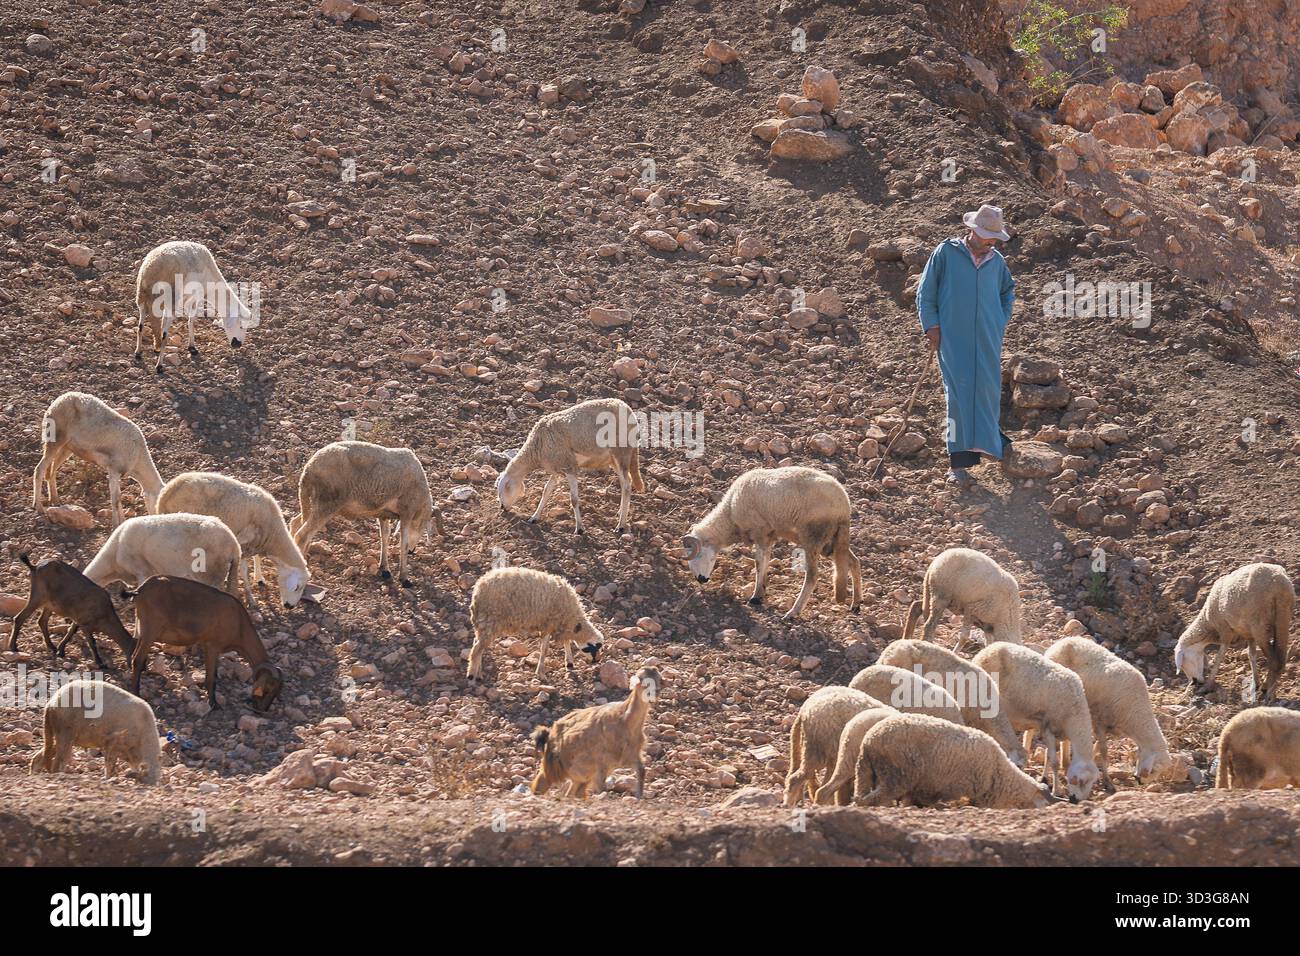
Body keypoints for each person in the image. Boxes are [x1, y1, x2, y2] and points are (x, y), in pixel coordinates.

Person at [916, 203, 1015, 487]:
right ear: (971, 231)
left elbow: (1008, 291)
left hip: (987, 335)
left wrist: (999, 319)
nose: (991, 242)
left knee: (987, 386)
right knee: (959, 392)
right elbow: (926, 291)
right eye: (986, 236)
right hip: (952, 336)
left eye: (994, 238)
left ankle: (988, 442)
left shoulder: (996, 262)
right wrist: (931, 325)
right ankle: (958, 462)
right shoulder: (946, 253)